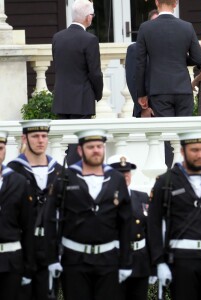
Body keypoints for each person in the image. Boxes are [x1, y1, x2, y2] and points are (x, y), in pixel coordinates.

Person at [147, 130, 201, 300]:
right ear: (182, 151)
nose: (200, 155)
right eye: (194, 150)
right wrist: (158, 262)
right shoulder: (166, 182)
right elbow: (154, 224)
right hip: (183, 260)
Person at [45, 129, 132, 300]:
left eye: (99, 146)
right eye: (91, 146)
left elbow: (125, 222)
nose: (96, 150)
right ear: (80, 150)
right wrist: (52, 258)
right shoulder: (65, 178)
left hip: (108, 260)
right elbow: (50, 219)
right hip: (74, 260)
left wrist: (125, 262)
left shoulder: (116, 178)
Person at [136, 0, 201, 168]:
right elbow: (199, 59)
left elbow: (140, 64)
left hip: (159, 89)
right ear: (175, 3)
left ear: (157, 2)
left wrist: (141, 93)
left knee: (167, 137)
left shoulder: (146, 28)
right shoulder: (187, 27)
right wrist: (181, 59)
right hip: (183, 87)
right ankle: (187, 172)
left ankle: (170, 176)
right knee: (185, 135)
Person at [7, 120, 62, 300]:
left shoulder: (59, 172)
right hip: (22, 245)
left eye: (44, 136)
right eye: (35, 136)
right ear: (24, 138)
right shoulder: (13, 172)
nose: (41, 140)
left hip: (50, 245)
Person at [52, 0, 103, 164]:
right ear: (88, 17)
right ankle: (73, 179)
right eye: (93, 15)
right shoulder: (90, 39)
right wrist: (98, 94)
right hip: (81, 99)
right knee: (79, 145)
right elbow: (95, 73)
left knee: (65, 145)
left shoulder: (57, 38)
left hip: (62, 99)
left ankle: (65, 178)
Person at [108, 154, 156, 300]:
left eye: (127, 172)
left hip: (139, 262)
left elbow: (150, 232)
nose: (125, 176)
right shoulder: (104, 198)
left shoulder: (141, 197)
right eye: (120, 173)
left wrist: (154, 265)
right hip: (114, 260)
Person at [0, 131, 34, 300]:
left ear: (5, 150)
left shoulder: (18, 182)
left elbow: (27, 226)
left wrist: (28, 267)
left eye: (0, 148)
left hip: (12, 261)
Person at [125, 9, 159, 118]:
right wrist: (143, 108)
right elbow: (132, 80)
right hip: (146, 110)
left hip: (165, 109)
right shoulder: (134, 49)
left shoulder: (166, 49)